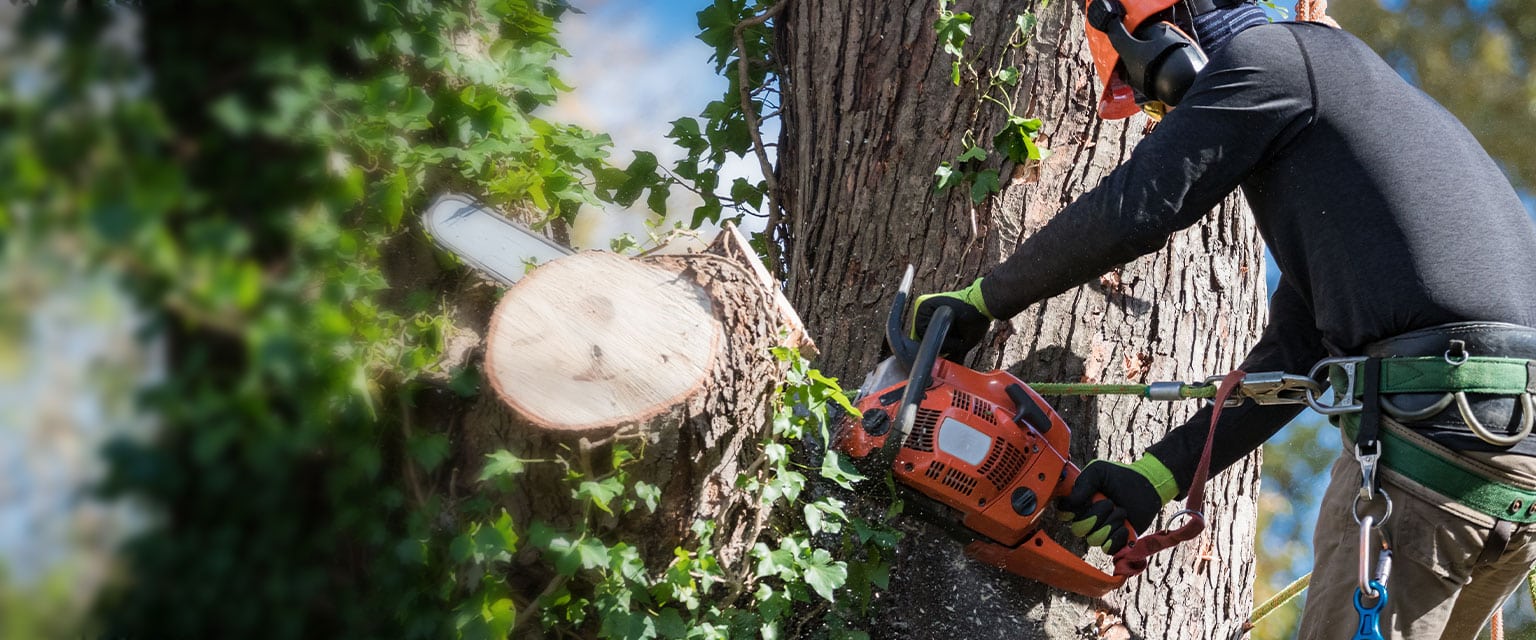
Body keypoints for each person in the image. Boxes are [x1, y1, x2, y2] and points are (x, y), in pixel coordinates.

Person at [908, 1, 1536, 638]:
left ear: (1163, 43)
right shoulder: (1354, 118)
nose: (1162, 119)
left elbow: (1138, 208)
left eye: (1147, 93)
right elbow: (1298, 356)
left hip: (1431, 448)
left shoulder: (1271, 61)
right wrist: (1155, 476)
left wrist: (981, 301)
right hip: (1509, 466)